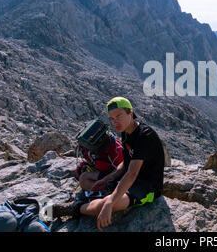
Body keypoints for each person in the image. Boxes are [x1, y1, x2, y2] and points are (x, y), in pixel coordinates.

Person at [53, 97, 165, 232]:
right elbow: (125, 163)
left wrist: (110, 202)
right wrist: (108, 179)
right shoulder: (126, 131)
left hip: (146, 187)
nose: (115, 122)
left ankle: (74, 208)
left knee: (105, 206)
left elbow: (132, 173)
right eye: (112, 119)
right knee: (84, 179)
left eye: (119, 116)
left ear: (130, 113)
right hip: (127, 177)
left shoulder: (144, 136)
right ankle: (108, 194)